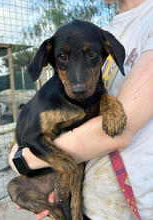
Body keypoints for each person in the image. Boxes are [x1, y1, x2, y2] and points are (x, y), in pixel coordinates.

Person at [9, 0, 153, 219]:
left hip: (136, 207)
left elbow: (121, 130)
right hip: (89, 204)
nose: (79, 84)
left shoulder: (142, 21)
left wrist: (24, 159)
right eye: (63, 57)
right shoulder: (104, 29)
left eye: (92, 55)